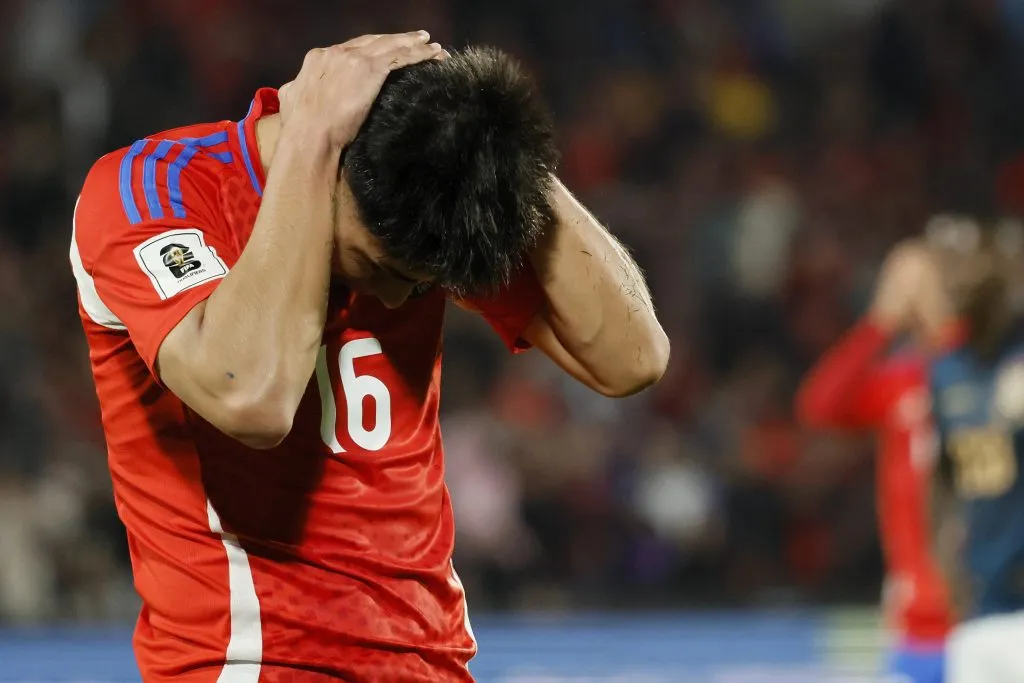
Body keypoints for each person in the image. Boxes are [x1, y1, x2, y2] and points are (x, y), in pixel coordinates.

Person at [69, 33, 669, 682]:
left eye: (419, 283)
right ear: (336, 167)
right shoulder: (153, 190)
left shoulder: (409, 209)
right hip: (255, 662)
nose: (395, 295)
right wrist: (311, 139)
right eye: (382, 268)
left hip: (434, 659)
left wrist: (491, 141)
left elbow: (631, 357)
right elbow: (250, 396)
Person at [797, 238, 955, 683]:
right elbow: (820, 406)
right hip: (915, 620)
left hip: (983, 611)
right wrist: (878, 324)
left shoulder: (987, 371)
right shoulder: (902, 382)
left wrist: (946, 323)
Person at [922, 216, 1024, 683]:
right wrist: (948, 574)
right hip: (979, 615)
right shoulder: (946, 373)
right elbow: (942, 482)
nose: (962, 280)